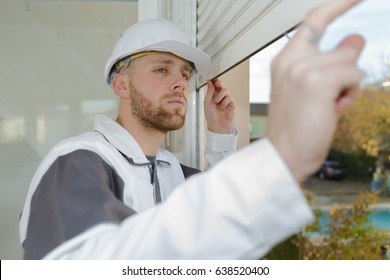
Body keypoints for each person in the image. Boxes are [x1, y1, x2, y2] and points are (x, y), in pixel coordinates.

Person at [19, 0, 365, 259]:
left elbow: (215, 229)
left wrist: (219, 134)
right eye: (161, 70)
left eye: (184, 74)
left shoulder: (171, 169)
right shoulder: (78, 162)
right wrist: (284, 154)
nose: (180, 84)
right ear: (121, 85)